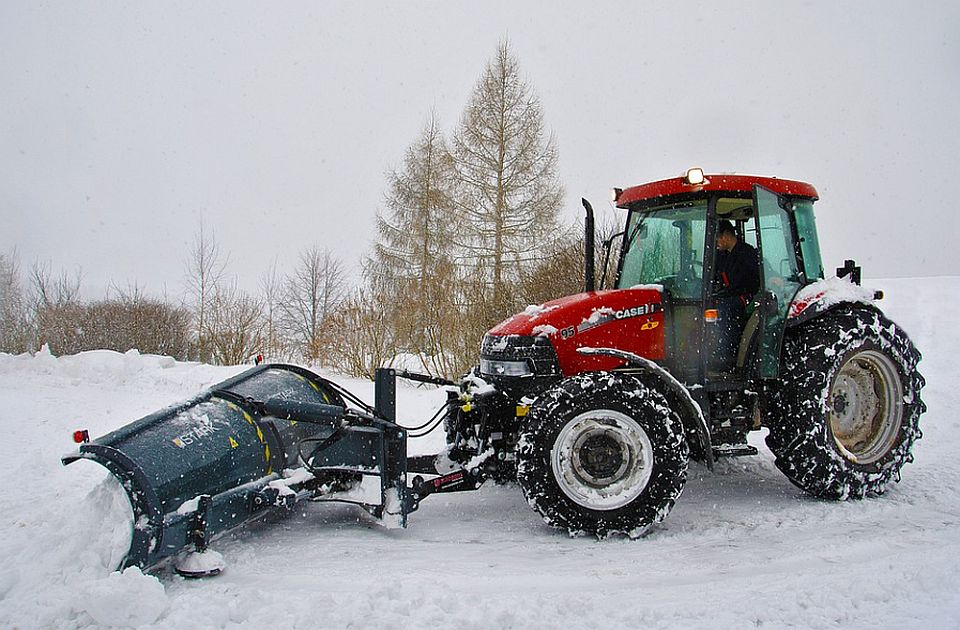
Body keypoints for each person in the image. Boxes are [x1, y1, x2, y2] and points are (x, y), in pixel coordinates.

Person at [711, 220, 760, 372]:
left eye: (717, 239)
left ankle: (727, 356)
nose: (716, 243)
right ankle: (714, 351)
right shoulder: (724, 256)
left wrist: (723, 294)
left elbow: (747, 281)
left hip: (747, 297)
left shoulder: (747, 254)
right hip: (730, 294)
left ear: (725, 236)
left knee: (724, 308)